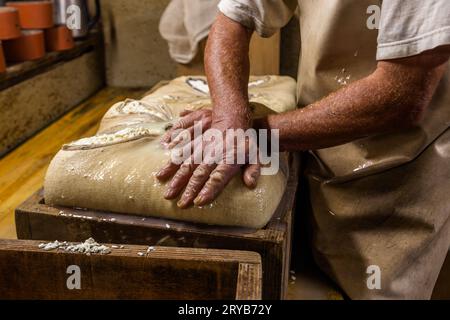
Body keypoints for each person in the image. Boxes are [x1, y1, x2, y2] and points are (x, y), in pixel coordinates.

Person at [157, 0, 450, 299]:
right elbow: (232, 19)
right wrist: (229, 119)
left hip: (401, 173)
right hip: (314, 147)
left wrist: (252, 135)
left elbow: (402, 95)